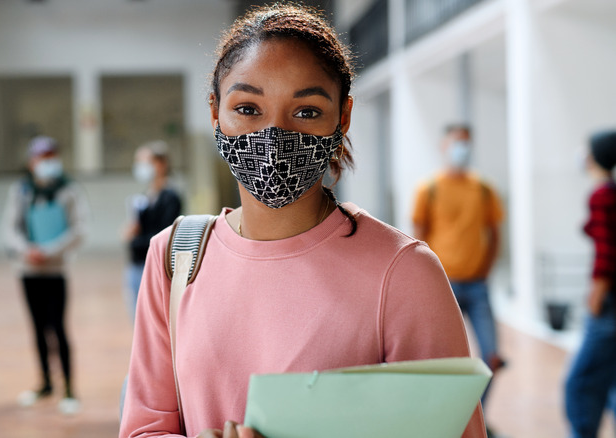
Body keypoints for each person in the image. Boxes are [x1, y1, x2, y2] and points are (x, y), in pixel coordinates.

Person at [119, 5, 486, 438]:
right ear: (216, 112)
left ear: (342, 117)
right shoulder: (176, 256)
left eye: (306, 111)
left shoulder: (403, 272)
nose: (274, 134)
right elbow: (144, 428)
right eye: (248, 108)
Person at [411, 125, 505, 407]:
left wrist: (485, 269)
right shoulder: (429, 189)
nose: (461, 149)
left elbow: (495, 233)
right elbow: (418, 237)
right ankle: (447, 419)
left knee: (492, 356)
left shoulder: (484, 189)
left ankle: (477, 418)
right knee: (440, 361)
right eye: (455, 143)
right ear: (444, 146)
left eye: (466, 143)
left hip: (478, 286)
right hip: (444, 286)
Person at [3, 136, 88, 415]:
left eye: (51, 156)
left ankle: (69, 389)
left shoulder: (69, 191)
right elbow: (11, 227)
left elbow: (79, 230)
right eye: (41, 157)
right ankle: (46, 383)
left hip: (55, 271)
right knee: (37, 328)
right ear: (31, 162)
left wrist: (49, 251)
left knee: (58, 328)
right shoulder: (22, 191)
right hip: (28, 270)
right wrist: (25, 249)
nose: (47, 162)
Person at [565, 130, 616, 438]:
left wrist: (596, 296)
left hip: (608, 306)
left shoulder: (601, 195)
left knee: (580, 385)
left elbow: (607, 254)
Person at [124, 141, 182, 323]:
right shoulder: (145, 196)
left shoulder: (170, 197)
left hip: (154, 265)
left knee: (153, 322)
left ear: (161, 164)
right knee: (138, 320)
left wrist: (135, 239)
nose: (141, 166)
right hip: (136, 262)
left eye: (145, 161)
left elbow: (163, 235)